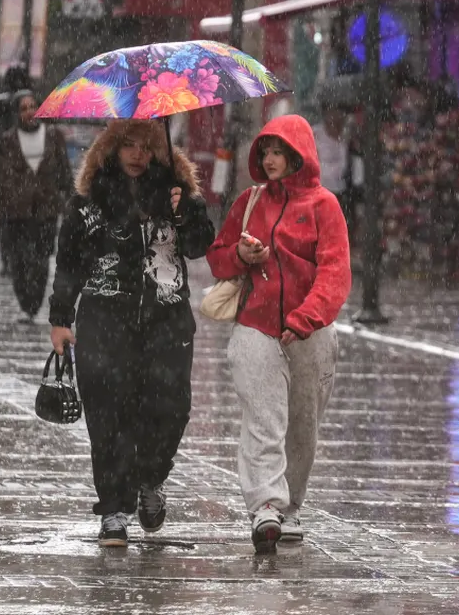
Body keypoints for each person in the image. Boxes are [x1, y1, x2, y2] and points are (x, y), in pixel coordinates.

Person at [47, 119, 215, 547]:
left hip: (167, 323)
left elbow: (200, 245)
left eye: (147, 146)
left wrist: (182, 212)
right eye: (129, 146)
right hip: (105, 323)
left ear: (160, 151)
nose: (138, 155)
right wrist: (60, 319)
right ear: (112, 148)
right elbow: (68, 263)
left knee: (171, 408)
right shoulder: (89, 203)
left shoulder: (179, 193)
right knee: (108, 418)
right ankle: (114, 510)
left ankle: (151, 479)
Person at [206, 115, 351, 554]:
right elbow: (218, 259)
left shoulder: (325, 206)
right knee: (264, 417)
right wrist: (241, 254)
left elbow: (335, 272)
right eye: (264, 151)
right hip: (256, 325)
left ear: (297, 155)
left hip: (311, 333)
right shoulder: (250, 202)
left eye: (277, 152)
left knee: (303, 425)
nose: (269, 159)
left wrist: (306, 318)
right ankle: (266, 504)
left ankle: (291, 505)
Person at [0, 91, 72, 323]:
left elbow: (65, 173)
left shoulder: (54, 137)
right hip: (14, 211)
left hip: (45, 209)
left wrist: (70, 201)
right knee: (19, 259)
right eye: (24, 108)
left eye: (33, 106)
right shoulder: (7, 140)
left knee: (40, 259)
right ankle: (25, 302)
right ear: (16, 113)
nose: (30, 112)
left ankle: (33, 305)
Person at [0, 65, 33, 277]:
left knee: (7, 216)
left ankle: (9, 259)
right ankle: (18, 258)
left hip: (4, 166)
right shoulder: (30, 103)